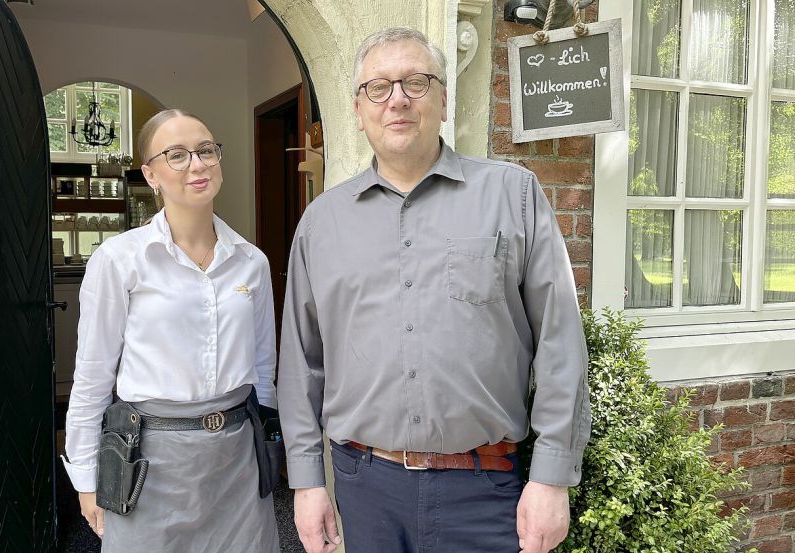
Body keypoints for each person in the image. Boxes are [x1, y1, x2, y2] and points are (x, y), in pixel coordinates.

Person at [277, 27, 590, 553]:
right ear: (359, 109)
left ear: (442, 100)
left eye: (416, 82)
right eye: (378, 87)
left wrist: (553, 476)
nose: (397, 99)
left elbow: (560, 341)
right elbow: (301, 364)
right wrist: (308, 483)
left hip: (486, 490)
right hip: (364, 487)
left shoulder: (511, 195)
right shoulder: (320, 223)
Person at [61, 109, 280, 552]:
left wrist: (270, 448)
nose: (196, 165)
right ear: (151, 174)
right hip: (150, 460)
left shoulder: (251, 262)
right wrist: (87, 477)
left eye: (205, 151)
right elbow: (92, 376)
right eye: (176, 155)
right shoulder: (120, 260)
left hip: (237, 457)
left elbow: (263, 368)